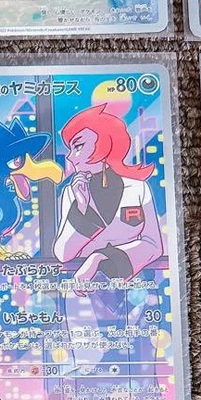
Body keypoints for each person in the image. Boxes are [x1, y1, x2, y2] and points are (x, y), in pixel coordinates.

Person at [53, 104, 164, 285]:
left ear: (104, 144)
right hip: (82, 289)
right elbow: (63, 253)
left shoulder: (138, 189)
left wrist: (99, 258)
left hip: (134, 286)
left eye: (78, 146)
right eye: (70, 149)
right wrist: (81, 208)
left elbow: (154, 245)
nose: (70, 157)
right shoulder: (72, 192)